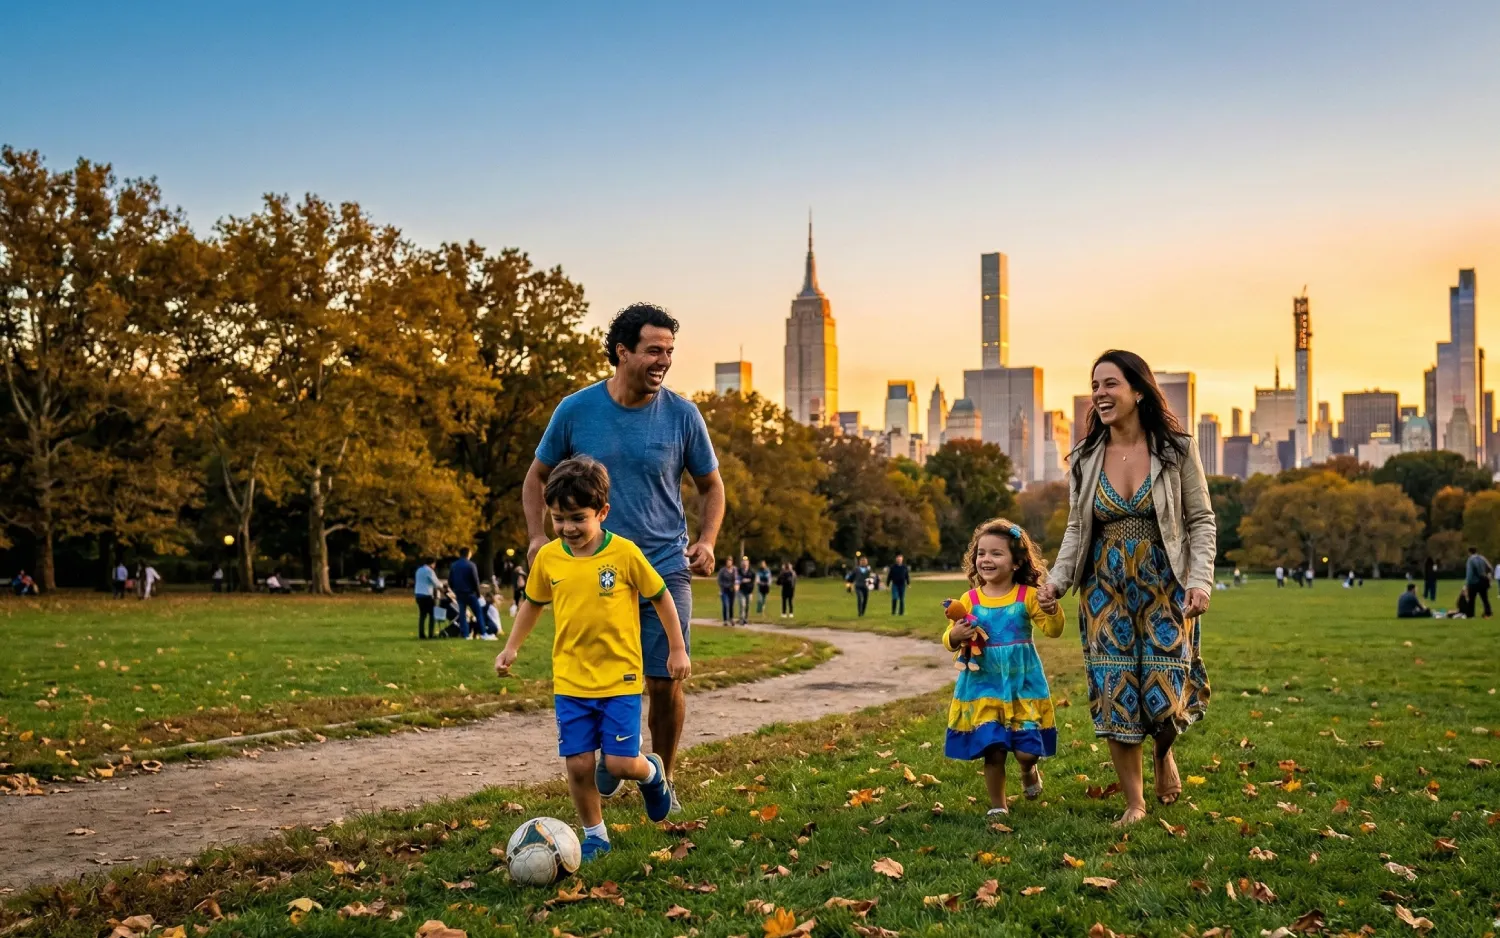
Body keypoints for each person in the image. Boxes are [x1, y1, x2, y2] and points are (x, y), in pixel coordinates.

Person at [524, 303, 724, 808]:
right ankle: (620, 754)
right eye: (654, 350)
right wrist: (534, 537)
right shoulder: (576, 410)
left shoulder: (683, 415)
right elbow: (536, 478)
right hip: (595, 572)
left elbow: (711, 485)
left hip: (662, 565)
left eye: (670, 352)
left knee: (664, 680)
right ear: (622, 351)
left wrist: (707, 540)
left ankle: (664, 778)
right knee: (603, 677)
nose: (664, 360)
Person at [1039, 350, 1215, 828]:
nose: (1099, 393)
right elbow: (1077, 527)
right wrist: (1057, 578)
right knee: (1117, 689)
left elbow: (1200, 519)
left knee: (1165, 691)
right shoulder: (1084, 457)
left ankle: (1163, 752)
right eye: (1095, 385)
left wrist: (1199, 580)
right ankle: (1134, 803)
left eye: (1110, 384)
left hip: (1165, 585)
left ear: (1138, 390)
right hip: (1105, 589)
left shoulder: (1175, 450)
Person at [497, 456, 686, 860]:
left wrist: (677, 648)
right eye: (558, 518)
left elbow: (660, 596)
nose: (568, 528)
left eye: (578, 518)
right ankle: (595, 835)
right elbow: (532, 604)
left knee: (619, 765)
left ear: (602, 512)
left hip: (619, 679)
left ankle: (651, 773)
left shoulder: (624, 554)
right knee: (580, 765)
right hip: (570, 681)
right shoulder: (549, 558)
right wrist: (511, 646)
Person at [944, 519, 1065, 817]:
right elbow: (951, 636)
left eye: (996, 553)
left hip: (1022, 683)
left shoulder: (1027, 596)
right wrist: (953, 636)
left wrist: (1052, 610)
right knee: (993, 749)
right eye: (981, 553)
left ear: (1016, 561)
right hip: (983, 683)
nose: (986, 559)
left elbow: (1053, 630)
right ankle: (998, 805)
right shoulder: (969, 600)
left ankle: (1028, 769)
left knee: (1026, 750)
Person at [448, 547, 484, 639]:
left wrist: (455, 590)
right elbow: (475, 580)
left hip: (459, 593)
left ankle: (465, 634)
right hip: (470, 593)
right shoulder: (471, 565)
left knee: (462, 614)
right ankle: (483, 632)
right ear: (468, 554)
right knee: (478, 613)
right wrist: (478, 593)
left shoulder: (454, 565)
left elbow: (450, 581)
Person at [414, 557, 441, 640]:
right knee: (432, 615)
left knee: (422, 615)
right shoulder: (429, 571)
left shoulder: (419, 570)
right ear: (432, 563)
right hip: (426, 595)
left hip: (418, 595)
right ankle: (431, 634)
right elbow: (437, 583)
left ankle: (421, 634)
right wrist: (443, 585)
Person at [1465, 546, 1493, 618]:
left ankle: (1470, 614)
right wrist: (1486, 575)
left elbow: (1470, 573)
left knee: (1471, 599)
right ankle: (1488, 612)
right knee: (1484, 599)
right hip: (1482, 582)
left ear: (1469, 552)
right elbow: (1490, 568)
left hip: (1473, 583)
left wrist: (1467, 583)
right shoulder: (1482, 558)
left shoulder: (1470, 560)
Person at [717, 557, 738, 625]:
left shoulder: (735, 569)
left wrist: (736, 585)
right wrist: (722, 586)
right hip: (724, 590)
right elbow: (719, 580)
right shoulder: (722, 570)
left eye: (730, 561)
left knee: (731, 605)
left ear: (732, 562)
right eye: (728, 561)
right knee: (725, 605)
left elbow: (737, 578)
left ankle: (731, 619)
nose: (729, 563)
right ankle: (725, 620)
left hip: (732, 590)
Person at [736, 556, 754, 624]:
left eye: (746, 562)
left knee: (747, 606)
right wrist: (742, 580)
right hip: (741, 591)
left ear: (748, 563)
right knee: (742, 605)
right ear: (741, 563)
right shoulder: (738, 571)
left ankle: (746, 618)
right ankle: (741, 619)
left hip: (749, 591)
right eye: (743, 562)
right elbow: (737, 579)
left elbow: (752, 582)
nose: (744, 563)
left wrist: (751, 593)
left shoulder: (751, 572)